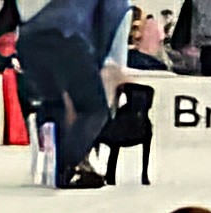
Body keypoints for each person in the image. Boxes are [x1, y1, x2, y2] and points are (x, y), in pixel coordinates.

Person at [16, 0, 129, 186]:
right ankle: (69, 167)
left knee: (58, 106)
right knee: (94, 110)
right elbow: (110, 23)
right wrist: (110, 65)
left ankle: (59, 167)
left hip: (29, 40)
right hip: (66, 38)